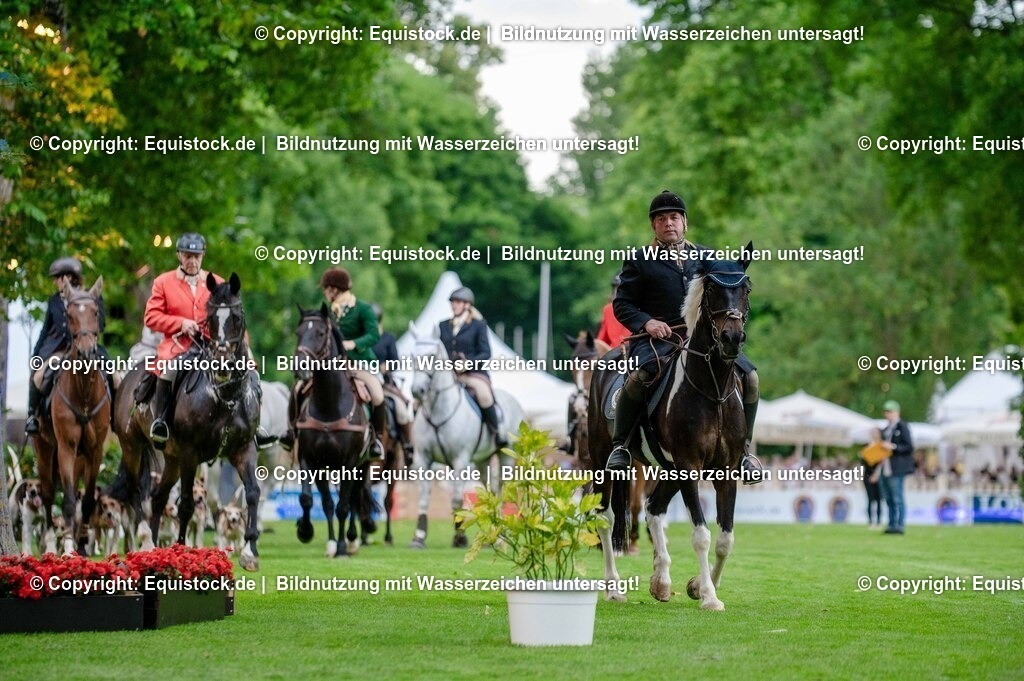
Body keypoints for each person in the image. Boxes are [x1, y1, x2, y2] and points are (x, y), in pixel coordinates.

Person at [604, 190, 763, 484]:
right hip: (659, 340)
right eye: (661, 218)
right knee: (638, 376)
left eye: (674, 217)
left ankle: (743, 452)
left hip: (704, 341)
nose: (668, 223)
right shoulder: (639, 260)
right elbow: (622, 305)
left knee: (751, 378)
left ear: (685, 222)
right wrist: (647, 322)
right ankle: (621, 446)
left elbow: (729, 295)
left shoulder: (708, 258)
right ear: (654, 226)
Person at [143, 233, 273, 450]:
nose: (192, 261)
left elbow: (234, 320)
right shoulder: (163, 282)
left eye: (196, 256)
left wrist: (245, 348)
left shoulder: (218, 283)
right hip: (179, 345)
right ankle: (161, 423)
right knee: (168, 370)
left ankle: (254, 427)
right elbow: (150, 317)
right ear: (179, 256)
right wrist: (181, 323)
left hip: (216, 347)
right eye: (187, 256)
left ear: (202, 256)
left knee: (251, 372)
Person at [280, 268, 386, 459]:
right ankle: (292, 432)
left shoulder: (363, 309)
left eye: (326, 289)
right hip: (331, 366)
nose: (324, 293)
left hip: (359, 363)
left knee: (377, 394)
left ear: (336, 289)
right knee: (297, 389)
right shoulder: (327, 312)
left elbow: (373, 335)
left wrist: (353, 343)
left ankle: (376, 440)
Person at [26, 257, 112, 435]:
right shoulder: (55, 301)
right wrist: (36, 355)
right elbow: (45, 330)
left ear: (69, 278)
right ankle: (32, 416)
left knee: (116, 376)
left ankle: (115, 417)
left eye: (57, 278)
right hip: (59, 350)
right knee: (38, 376)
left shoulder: (92, 297)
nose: (55, 282)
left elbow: (101, 324)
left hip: (87, 348)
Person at [438, 286, 506, 451]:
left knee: (484, 396)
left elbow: (486, 353)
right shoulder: (443, 326)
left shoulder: (478, 325)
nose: (454, 305)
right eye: (453, 302)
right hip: (449, 374)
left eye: (457, 302)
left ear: (467, 305)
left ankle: (496, 433)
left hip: (473, 374)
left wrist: (467, 363)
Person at [371, 302, 415, 462]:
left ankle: (407, 445)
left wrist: (386, 366)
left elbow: (396, 362)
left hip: (385, 384)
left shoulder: (388, 338)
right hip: (363, 380)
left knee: (401, 410)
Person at [878, 400, 914, 534]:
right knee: (888, 498)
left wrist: (892, 447)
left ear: (897, 412)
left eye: (890, 411)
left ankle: (900, 524)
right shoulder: (886, 429)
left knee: (897, 497)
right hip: (885, 466)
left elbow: (909, 447)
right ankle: (891, 523)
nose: (887, 414)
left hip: (897, 467)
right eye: (886, 411)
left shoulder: (902, 427)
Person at [596, 273, 630, 349]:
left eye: (622, 287)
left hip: (635, 353)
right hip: (614, 354)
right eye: (616, 288)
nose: (618, 291)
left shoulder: (642, 307)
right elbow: (601, 341)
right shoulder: (608, 310)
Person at [861, 428, 884, 527]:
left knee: (879, 499)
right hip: (868, 475)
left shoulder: (882, 447)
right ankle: (870, 521)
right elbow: (863, 463)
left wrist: (876, 474)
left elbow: (882, 463)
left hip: (879, 476)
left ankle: (878, 521)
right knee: (870, 499)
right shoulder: (866, 447)